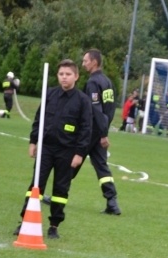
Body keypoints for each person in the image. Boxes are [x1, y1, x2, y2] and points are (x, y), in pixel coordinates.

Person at [12, 59, 92, 240]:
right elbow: (39, 119)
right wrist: (33, 142)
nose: (64, 78)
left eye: (68, 74)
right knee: (35, 184)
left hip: (68, 151)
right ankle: (25, 219)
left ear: (76, 76)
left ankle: (54, 225)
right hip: (46, 148)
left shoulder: (82, 101)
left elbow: (86, 129)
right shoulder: (49, 94)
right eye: (61, 74)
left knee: (61, 189)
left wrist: (79, 153)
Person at [76, 48, 121, 215]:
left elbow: (96, 110)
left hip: (92, 131)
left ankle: (58, 192)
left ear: (94, 62)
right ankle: (112, 202)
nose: (83, 64)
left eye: (85, 61)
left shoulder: (93, 83)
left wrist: (102, 134)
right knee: (102, 166)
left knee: (73, 159)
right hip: (102, 129)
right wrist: (105, 130)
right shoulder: (107, 82)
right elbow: (109, 110)